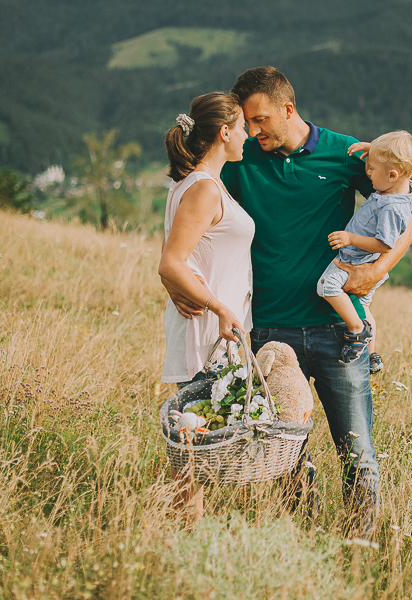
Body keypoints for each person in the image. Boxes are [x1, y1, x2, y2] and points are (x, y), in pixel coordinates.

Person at [163, 67, 412, 538]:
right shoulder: (238, 158)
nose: (253, 131)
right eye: (247, 123)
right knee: (284, 457)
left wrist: (376, 271)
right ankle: (300, 539)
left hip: (337, 330)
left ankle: (359, 543)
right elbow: (198, 213)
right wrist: (178, 279)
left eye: (261, 120)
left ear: (288, 109)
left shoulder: (346, 153)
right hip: (268, 332)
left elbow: (404, 218)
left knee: (358, 452)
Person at [159, 91, 254, 519]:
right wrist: (220, 308)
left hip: (216, 330)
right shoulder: (201, 189)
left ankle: (187, 529)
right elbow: (172, 262)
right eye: (244, 128)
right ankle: (184, 531)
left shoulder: (202, 184)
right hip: (204, 332)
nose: (249, 136)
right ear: (225, 132)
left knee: (198, 441)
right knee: (192, 445)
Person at [319, 131, 412, 371]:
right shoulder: (401, 188)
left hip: (357, 261)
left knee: (326, 287)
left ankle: (357, 331)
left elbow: (385, 244)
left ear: (392, 174)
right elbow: (398, 166)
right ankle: (372, 353)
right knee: (364, 306)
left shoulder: (391, 207)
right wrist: (376, 153)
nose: (367, 173)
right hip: (367, 262)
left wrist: (350, 238)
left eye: (372, 170)